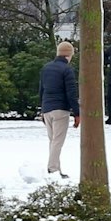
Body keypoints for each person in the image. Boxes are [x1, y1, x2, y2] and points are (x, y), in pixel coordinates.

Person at [37, 40, 81, 175]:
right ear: (69, 55)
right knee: (58, 141)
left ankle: (56, 168)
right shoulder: (67, 70)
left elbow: (41, 90)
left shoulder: (46, 68)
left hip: (47, 108)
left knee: (52, 141)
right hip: (60, 109)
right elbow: (71, 93)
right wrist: (77, 113)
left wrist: (42, 110)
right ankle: (53, 169)